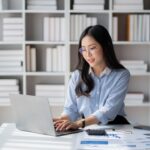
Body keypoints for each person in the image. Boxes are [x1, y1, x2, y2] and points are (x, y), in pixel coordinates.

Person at [54, 25, 130, 131]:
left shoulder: (121, 75)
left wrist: (79, 123)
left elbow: (109, 110)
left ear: (105, 46)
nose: (87, 54)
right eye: (83, 49)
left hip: (115, 128)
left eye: (92, 48)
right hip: (88, 128)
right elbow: (70, 109)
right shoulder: (77, 76)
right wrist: (58, 121)